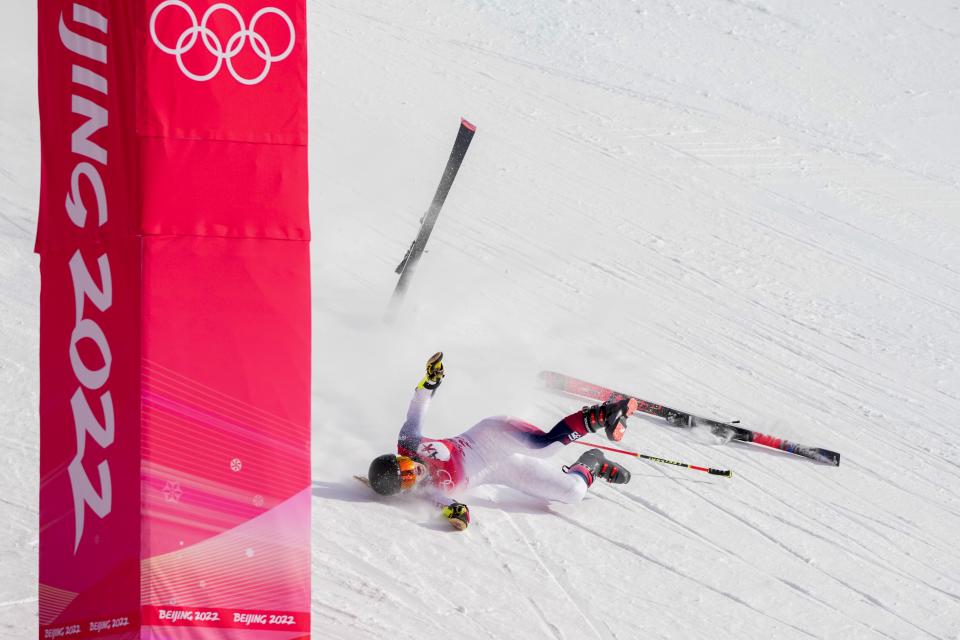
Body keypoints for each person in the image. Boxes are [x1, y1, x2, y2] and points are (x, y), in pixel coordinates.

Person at [367, 353, 639, 530]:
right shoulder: (428, 492)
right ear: (406, 488)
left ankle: (603, 413)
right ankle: (593, 463)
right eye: (407, 477)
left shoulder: (409, 443)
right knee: (571, 493)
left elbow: (417, 408)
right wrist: (458, 514)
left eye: (404, 464)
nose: (413, 469)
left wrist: (430, 381)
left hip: (490, 436)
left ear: (399, 456)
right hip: (502, 469)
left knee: (543, 447)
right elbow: (453, 510)